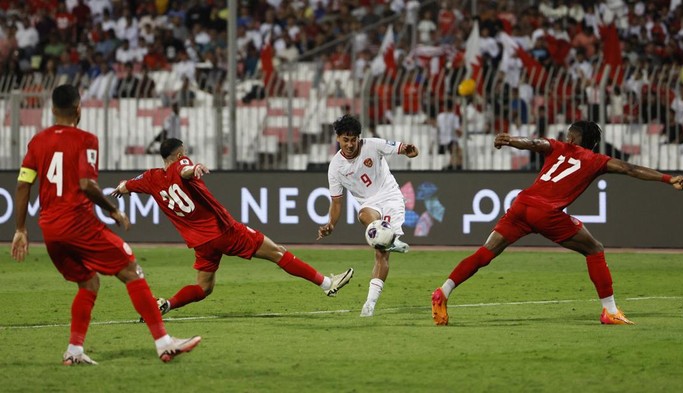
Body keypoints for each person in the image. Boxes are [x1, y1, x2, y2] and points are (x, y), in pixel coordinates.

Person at [431, 120, 683, 326]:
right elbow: (630, 169)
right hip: (547, 212)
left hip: (522, 204)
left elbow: (534, 143)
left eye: (570, 135)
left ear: (572, 139)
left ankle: (444, 291)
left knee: (485, 253)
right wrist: (668, 179)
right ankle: (610, 311)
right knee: (595, 249)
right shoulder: (597, 160)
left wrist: (511, 140)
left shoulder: (557, 146)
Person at [10, 84, 201, 365]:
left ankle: (74, 352)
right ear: (78, 109)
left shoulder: (37, 142)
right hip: (78, 224)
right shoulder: (86, 139)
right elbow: (87, 185)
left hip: (49, 229)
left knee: (88, 282)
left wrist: (20, 229)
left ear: (52, 110)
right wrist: (113, 210)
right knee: (132, 270)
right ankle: (164, 343)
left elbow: (23, 184)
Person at [112, 138, 354, 318]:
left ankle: (167, 304)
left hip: (200, 243)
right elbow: (184, 170)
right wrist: (192, 169)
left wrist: (120, 188)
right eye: (184, 153)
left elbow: (126, 185)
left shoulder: (151, 178)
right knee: (277, 252)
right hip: (223, 231)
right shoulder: (181, 164)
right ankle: (326, 284)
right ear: (180, 154)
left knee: (204, 287)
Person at [317, 115, 419, 317]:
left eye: (353, 139)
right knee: (363, 215)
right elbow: (337, 203)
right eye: (345, 139)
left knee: (381, 254)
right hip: (370, 204)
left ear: (359, 138)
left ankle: (369, 304)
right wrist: (331, 224)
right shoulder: (335, 167)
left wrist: (409, 150)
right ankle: (390, 239)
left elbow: (401, 148)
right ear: (338, 138)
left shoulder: (372, 145)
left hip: (390, 198)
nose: (350, 144)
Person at [436, 100, 463, 171]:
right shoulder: (454, 117)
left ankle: (451, 165)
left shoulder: (439, 116)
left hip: (441, 142)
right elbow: (457, 130)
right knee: (459, 153)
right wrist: (461, 134)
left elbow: (438, 128)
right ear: (452, 107)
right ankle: (453, 166)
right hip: (451, 141)